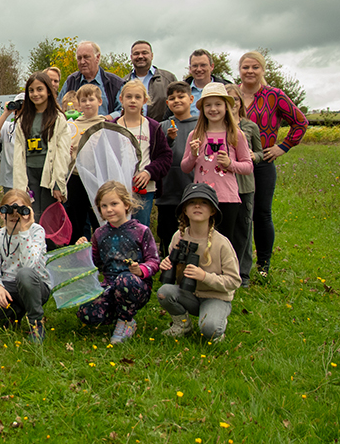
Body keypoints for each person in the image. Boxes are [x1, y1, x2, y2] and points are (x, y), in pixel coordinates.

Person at [238, 50, 308, 282]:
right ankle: (235, 261)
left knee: (262, 213)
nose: (250, 71)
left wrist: (283, 146)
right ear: (240, 70)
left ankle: (263, 263)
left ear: (262, 70)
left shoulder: (274, 96)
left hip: (263, 162)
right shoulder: (233, 95)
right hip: (235, 163)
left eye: (255, 67)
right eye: (246, 67)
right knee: (237, 213)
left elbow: (300, 122)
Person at [75, 181, 160, 344]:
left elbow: (154, 261)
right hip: (110, 287)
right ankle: (118, 313)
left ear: (126, 204)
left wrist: (141, 270)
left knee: (124, 280)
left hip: (135, 286)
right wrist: (82, 251)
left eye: (114, 204)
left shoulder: (141, 231)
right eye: (104, 206)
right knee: (85, 313)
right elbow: (95, 263)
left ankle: (126, 321)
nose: (109, 209)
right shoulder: (99, 234)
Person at [157, 183, 241, 341]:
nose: (197, 206)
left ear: (212, 210)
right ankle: (182, 324)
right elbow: (174, 275)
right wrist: (167, 265)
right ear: (185, 209)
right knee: (164, 292)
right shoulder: (178, 237)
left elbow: (234, 281)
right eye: (191, 202)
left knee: (209, 330)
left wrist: (204, 276)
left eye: (204, 202)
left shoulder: (222, 243)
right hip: (190, 294)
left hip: (216, 296)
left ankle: (216, 320)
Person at [0, 189, 51, 344]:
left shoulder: (36, 231)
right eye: (9, 210)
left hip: (35, 286)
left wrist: (24, 230)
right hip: (9, 286)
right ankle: (16, 312)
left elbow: (29, 265)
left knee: (24, 274)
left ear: (29, 212)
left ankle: (35, 322)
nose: (15, 214)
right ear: (1, 213)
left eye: (20, 210)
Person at [181, 83, 253, 242]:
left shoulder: (236, 134)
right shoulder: (195, 134)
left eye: (218, 104)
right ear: (202, 109)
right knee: (202, 239)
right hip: (202, 198)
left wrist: (230, 164)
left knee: (225, 242)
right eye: (208, 105)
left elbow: (248, 166)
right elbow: (185, 167)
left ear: (226, 107)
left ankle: (224, 268)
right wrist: (193, 155)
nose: (213, 109)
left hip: (227, 197)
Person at [114, 80, 171, 227]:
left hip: (144, 189)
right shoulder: (111, 127)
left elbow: (165, 157)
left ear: (145, 100)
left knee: (140, 229)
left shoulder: (153, 127)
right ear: (121, 99)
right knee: (117, 227)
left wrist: (149, 172)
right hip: (116, 190)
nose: (133, 101)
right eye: (129, 96)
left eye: (138, 97)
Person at [13, 72, 69, 220]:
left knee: (49, 217)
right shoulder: (23, 119)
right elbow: (18, 154)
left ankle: (49, 244)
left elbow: (63, 153)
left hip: (49, 174)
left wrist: (58, 183)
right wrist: (20, 186)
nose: (35, 94)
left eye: (39, 89)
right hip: (29, 173)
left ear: (49, 92)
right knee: (30, 215)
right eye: (31, 90)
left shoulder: (58, 118)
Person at [225, 84, 262, 287]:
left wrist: (248, 156)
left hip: (244, 185)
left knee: (243, 230)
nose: (232, 104)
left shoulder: (249, 127)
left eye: (235, 100)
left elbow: (261, 153)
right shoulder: (216, 127)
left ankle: (243, 274)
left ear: (240, 103)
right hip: (222, 185)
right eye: (228, 100)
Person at [156, 82, 198, 256]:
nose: (177, 101)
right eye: (172, 98)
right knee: (167, 229)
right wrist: (169, 139)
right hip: (168, 189)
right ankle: (167, 261)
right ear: (167, 103)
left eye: (181, 97)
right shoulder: (162, 126)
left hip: (191, 186)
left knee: (192, 227)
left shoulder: (200, 124)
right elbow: (157, 153)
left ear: (191, 99)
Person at [63, 85, 105, 242]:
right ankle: (78, 255)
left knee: (99, 218)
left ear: (99, 101)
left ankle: (101, 252)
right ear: (78, 104)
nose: (88, 103)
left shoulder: (106, 125)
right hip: (76, 177)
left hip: (98, 178)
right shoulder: (72, 125)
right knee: (77, 219)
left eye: (91, 99)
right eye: (83, 100)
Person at [57, 41, 124, 119]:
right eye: (79, 58)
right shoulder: (71, 81)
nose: (82, 62)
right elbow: (58, 109)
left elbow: (122, 110)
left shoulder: (114, 83)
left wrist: (105, 119)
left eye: (86, 57)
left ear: (97, 57)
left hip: (106, 128)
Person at [125, 41, 177, 121]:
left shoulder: (168, 79)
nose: (140, 56)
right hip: (131, 130)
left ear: (152, 56)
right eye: (136, 54)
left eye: (144, 53)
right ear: (131, 57)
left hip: (161, 130)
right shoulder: (123, 82)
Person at [0, 92, 24, 194]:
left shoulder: (35, 128)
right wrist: (6, 113)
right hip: (10, 179)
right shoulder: (8, 127)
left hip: (28, 178)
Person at [183, 49, 231, 116]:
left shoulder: (226, 88)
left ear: (212, 67)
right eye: (195, 66)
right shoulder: (181, 90)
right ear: (190, 69)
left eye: (203, 65)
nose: (199, 69)